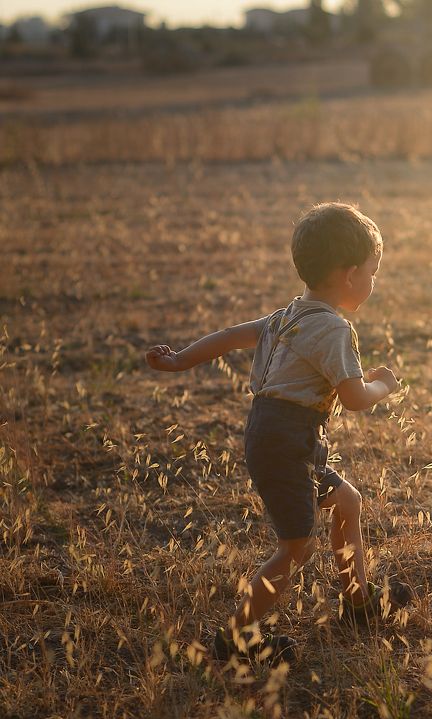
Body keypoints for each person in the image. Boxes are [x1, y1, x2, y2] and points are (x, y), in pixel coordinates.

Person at [145, 202, 412, 665]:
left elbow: (230, 335)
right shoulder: (333, 329)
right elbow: (354, 397)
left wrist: (181, 359)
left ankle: (358, 603)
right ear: (349, 276)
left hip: (279, 436)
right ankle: (236, 637)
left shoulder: (287, 315)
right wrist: (384, 384)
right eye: (373, 272)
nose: (374, 282)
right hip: (288, 442)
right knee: (297, 546)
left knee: (347, 501)